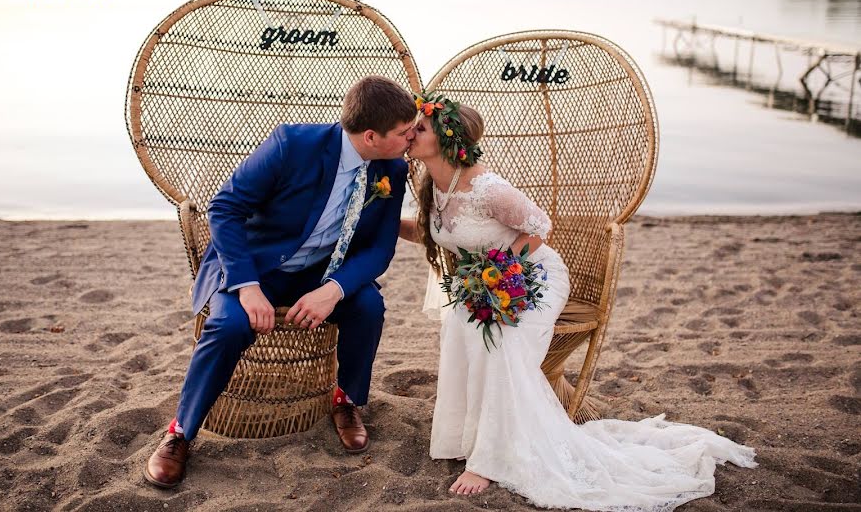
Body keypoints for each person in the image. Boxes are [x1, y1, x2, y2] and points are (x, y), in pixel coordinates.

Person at [399, 93, 757, 511]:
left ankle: (490, 458)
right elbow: (436, 234)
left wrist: (497, 272)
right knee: (461, 321)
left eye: (419, 128)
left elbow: (539, 227)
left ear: (446, 140)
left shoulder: (486, 187)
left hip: (533, 275)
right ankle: (468, 435)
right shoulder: (433, 185)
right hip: (489, 281)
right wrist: (383, 223)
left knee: (502, 340)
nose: (409, 133)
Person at [144, 75, 418, 488]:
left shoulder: (394, 169)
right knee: (229, 325)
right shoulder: (292, 144)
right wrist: (247, 285)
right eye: (403, 132)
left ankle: (346, 401)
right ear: (370, 136)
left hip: (322, 275)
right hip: (256, 268)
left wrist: (334, 290)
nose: (411, 137)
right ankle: (180, 433)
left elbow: (379, 249)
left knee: (368, 307)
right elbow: (224, 208)